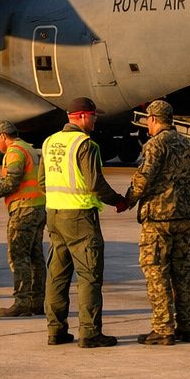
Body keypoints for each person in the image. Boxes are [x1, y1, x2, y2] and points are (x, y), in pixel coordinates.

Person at [40, 97, 129, 348]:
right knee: (89, 275)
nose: (95, 119)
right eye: (93, 115)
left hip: (55, 214)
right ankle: (89, 333)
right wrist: (118, 201)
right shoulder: (85, 144)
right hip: (80, 216)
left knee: (57, 274)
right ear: (80, 116)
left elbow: (41, 182)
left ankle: (55, 331)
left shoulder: (49, 142)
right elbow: (95, 184)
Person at [123, 100, 190, 346]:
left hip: (158, 218)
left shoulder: (155, 145)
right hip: (184, 217)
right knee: (182, 271)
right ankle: (186, 326)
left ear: (153, 119)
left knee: (156, 270)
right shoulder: (188, 145)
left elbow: (143, 179)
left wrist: (127, 200)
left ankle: (163, 328)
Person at [0, 120, 47, 317]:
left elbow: (12, 182)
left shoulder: (15, 151)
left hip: (23, 209)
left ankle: (22, 302)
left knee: (18, 256)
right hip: (38, 207)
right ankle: (37, 301)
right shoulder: (29, 148)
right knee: (35, 257)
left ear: (3, 136)